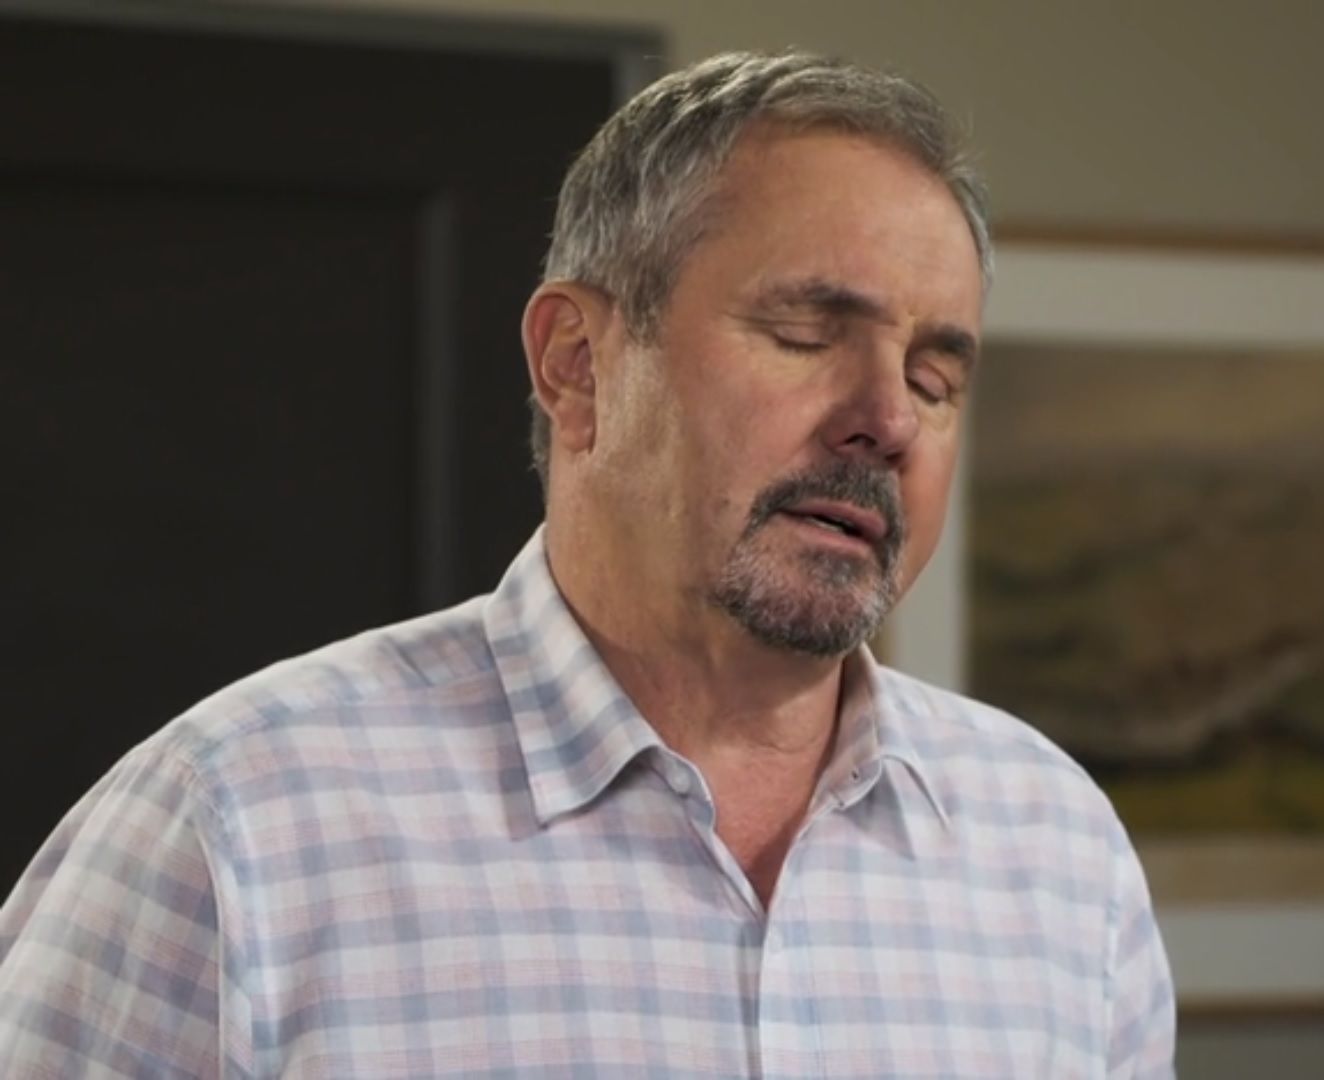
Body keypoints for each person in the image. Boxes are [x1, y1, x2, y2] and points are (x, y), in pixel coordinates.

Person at [0, 50, 1176, 1077]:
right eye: (806, 335)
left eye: (935, 377)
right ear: (575, 363)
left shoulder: (1056, 851)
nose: (889, 419)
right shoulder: (237, 826)